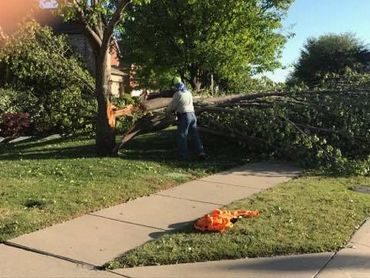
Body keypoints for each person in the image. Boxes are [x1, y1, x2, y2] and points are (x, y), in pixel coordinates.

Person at [166, 77, 207, 160]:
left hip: (184, 116)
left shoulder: (177, 94)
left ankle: (182, 155)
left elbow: (173, 106)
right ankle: (201, 152)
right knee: (195, 135)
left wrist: (167, 110)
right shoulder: (188, 92)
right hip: (192, 115)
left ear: (175, 85)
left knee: (182, 135)